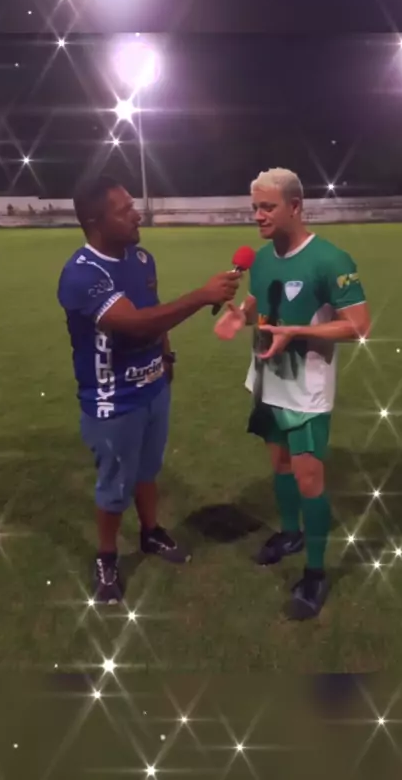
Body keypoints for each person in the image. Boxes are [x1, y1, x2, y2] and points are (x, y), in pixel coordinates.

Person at [58, 175, 240, 604]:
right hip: (113, 399)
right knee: (114, 486)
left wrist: (167, 357)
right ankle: (106, 557)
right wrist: (201, 296)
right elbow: (135, 324)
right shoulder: (82, 274)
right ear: (95, 221)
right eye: (124, 210)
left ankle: (151, 532)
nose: (137, 214)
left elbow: (153, 314)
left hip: (154, 387)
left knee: (147, 470)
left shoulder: (141, 259)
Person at [215, 168, 371, 620]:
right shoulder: (262, 260)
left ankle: (316, 572)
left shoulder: (330, 259)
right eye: (255, 208)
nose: (258, 216)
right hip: (268, 380)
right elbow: (259, 306)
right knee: (279, 464)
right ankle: (290, 533)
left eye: (268, 207)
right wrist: (240, 316)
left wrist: (297, 333)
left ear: (296, 206)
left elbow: (358, 325)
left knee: (309, 480)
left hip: (307, 390)